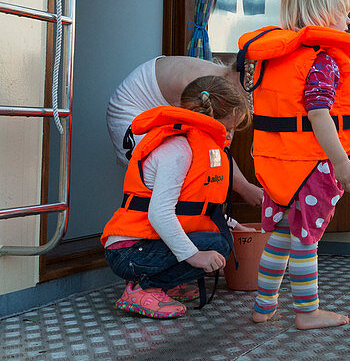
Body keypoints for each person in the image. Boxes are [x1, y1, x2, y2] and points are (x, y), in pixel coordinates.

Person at [239, 0, 350, 330]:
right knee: (305, 239)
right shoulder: (323, 59)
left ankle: (264, 307)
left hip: (277, 164)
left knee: (281, 235)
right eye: (345, 12)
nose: (348, 19)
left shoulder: (274, 56)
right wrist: (341, 162)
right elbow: (318, 112)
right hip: (312, 165)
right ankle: (307, 312)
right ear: (325, 13)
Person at [100, 76, 252, 319]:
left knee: (221, 238)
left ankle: (166, 284)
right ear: (211, 120)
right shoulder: (177, 151)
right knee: (217, 246)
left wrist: (233, 225)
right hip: (129, 251)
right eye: (230, 128)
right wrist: (195, 256)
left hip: (147, 245)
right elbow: (159, 214)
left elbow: (195, 209)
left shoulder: (196, 147)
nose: (230, 136)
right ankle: (143, 288)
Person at [106, 55, 264, 207]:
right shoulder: (202, 87)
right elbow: (211, 152)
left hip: (160, 111)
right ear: (244, 70)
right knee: (179, 168)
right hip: (131, 112)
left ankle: (213, 223)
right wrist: (245, 188)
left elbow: (222, 151)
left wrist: (245, 186)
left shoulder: (226, 85)